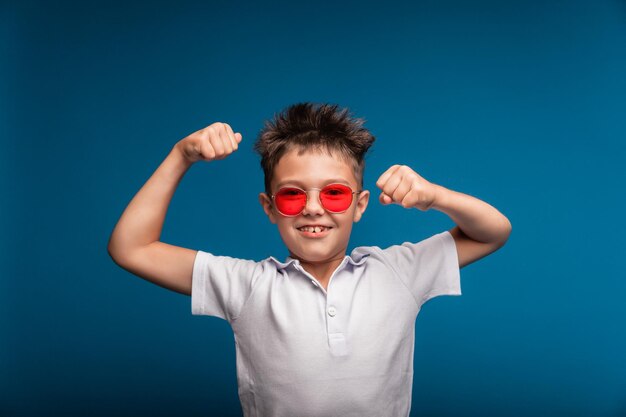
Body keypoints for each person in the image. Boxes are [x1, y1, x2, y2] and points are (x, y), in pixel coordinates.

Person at [107, 102, 511, 417]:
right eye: (292, 194)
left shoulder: (398, 272)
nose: (313, 208)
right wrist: (181, 155)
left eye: (334, 193)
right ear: (269, 207)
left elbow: (493, 231)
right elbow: (131, 248)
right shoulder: (247, 285)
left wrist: (435, 196)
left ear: (360, 204)